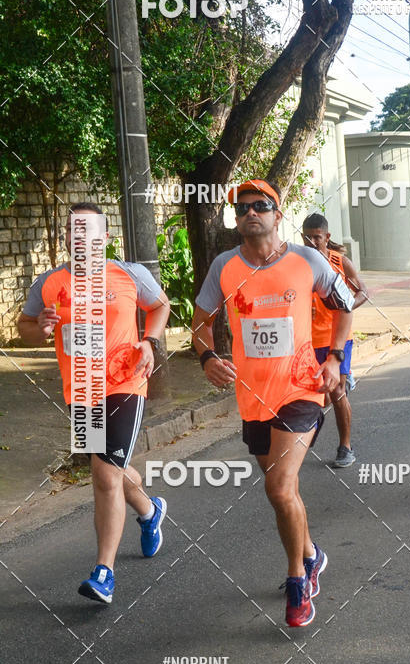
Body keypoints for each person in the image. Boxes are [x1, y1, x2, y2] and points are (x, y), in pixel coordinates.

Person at [192, 180, 353, 627]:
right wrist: (207, 356)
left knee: (280, 487)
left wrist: (335, 358)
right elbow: (200, 323)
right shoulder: (224, 266)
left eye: (260, 205)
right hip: (253, 398)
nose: (250, 213)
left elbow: (345, 305)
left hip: (302, 390)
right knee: (285, 490)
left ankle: (298, 580)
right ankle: (312, 553)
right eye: (241, 208)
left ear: (277, 214)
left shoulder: (306, 260)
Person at [17, 203, 171, 603]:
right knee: (110, 470)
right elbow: (26, 327)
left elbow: (160, 306)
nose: (81, 238)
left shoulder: (128, 274)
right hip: (81, 389)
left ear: (105, 237)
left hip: (126, 381)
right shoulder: (49, 283)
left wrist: (149, 342)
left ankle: (104, 572)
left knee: (104, 475)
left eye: (90, 231)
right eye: (74, 231)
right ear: (67, 238)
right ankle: (150, 511)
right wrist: (42, 328)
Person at [301, 213, 367, 468]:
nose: (312, 243)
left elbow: (362, 291)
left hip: (338, 339)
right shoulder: (298, 263)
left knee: (337, 392)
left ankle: (345, 447)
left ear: (326, 237)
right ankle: (310, 429)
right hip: (308, 340)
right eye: (307, 238)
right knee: (316, 393)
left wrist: (347, 305)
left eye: (317, 238)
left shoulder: (340, 262)